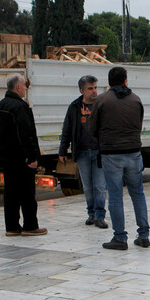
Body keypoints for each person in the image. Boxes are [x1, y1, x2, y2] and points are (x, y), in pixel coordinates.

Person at [89, 66, 150, 250]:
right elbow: (138, 126)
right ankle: (144, 235)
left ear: (109, 82)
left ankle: (120, 238)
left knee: (115, 196)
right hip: (134, 152)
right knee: (137, 194)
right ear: (125, 81)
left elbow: (92, 129)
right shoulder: (136, 100)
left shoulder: (101, 100)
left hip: (111, 154)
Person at [0, 74, 47, 236]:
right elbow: (26, 134)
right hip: (21, 159)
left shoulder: (0, 105)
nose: (26, 87)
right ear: (18, 87)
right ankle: (30, 226)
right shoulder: (19, 107)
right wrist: (32, 157)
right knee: (27, 193)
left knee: (10, 194)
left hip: (7, 159)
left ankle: (12, 227)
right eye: (24, 84)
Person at [58, 75, 108, 229]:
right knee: (87, 186)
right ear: (82, 90)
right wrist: (63, 151)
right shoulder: (74, 107)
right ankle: (91, 214)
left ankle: (100, 215)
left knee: (99, 186)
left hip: (98, 152)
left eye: (95, 88)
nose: (94, 91)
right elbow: (67, 129)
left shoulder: (101, 105)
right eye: (90, 88)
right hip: (82, 152)